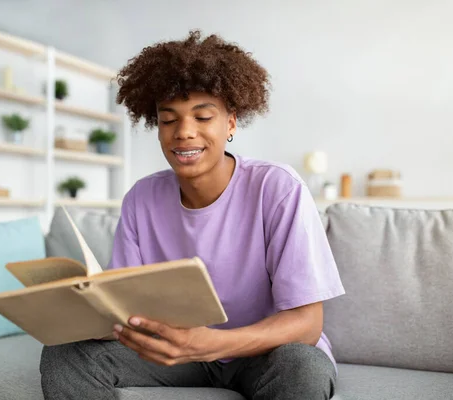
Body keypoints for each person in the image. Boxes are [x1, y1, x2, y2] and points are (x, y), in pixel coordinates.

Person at [40, 30, 345, 400]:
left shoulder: (277, 188)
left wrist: (212, 343)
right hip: (178, 354)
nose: (184, 133)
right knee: (64, 355)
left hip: (263, 353)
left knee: (303, 367)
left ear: (231, 123)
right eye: (168, 120)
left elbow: (307, 324)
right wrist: (84, 317)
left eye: (202, 117)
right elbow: (125, 311)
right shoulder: (141, 199)